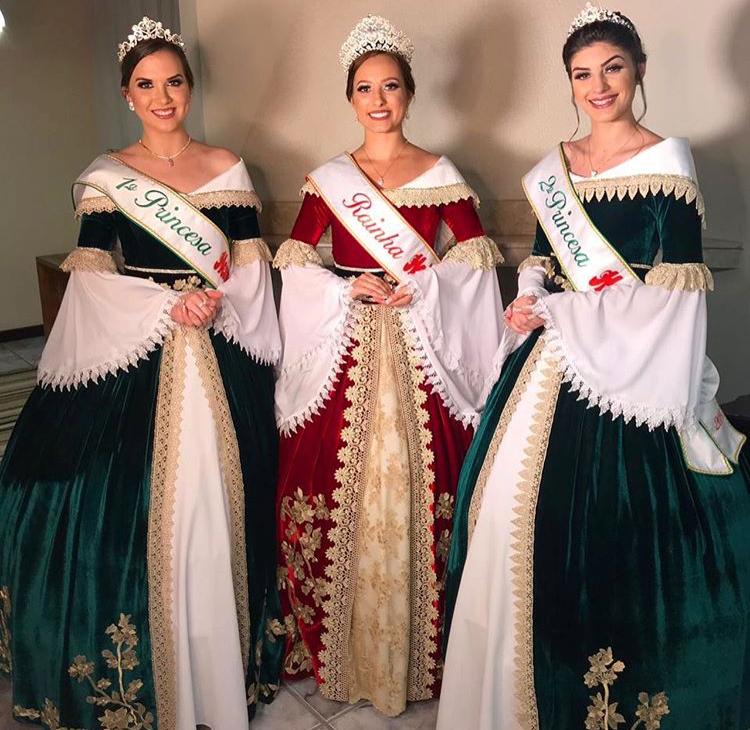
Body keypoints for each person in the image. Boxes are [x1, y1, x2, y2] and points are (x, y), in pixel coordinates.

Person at [438, 4, 750, 729]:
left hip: (633, 367)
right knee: (510, 512)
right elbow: (542, 260)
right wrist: (529, 296)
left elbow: (674, 299)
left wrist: (564, 314)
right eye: (582, 74)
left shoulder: (669, 165)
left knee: (619, 541)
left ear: (639, 69)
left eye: (612, 68)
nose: (598, 86)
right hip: (549, 358)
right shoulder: (557, 167)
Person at [0, 17, 282, 730]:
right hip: (143, 342)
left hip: (219, 339)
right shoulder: (109, 177)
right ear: (128, 95)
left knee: (228, 492)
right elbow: (94, 276)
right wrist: (165, 306)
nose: (162, 97)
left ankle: (221, 653)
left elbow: (250, 266)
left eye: (174, 82)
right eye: (146, 85)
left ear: (191, 87)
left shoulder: (228, 167)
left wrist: (217, 302)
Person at [272, 15, 507, 717]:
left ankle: (421, 653)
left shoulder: (442, 175)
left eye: (392, 86)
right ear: (350, 98)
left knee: (423, 491)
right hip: (347, 343)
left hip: (418, 343)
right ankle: (338, 646)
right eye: (366, 88)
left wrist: (425, 287)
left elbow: (474, 260)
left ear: (410, 93)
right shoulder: (329, 180)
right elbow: (296, 260)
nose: (379, 100)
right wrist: (344, 290)